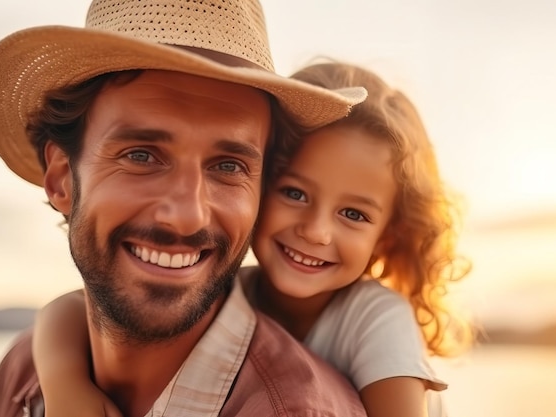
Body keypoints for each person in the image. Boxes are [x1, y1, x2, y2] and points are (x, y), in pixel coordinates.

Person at [0, 1, 370, 416]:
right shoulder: (23, 372)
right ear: (61, 179)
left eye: (228, 166)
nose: (188, 215)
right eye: (142, 156)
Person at [31, 61, 473, 417]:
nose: (316, 231)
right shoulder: (234, 286)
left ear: (388, 236)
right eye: (294, 193)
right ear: (258, 191)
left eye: (353, 214)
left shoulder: (377, 320)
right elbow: (69, 306)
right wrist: (63, 383)